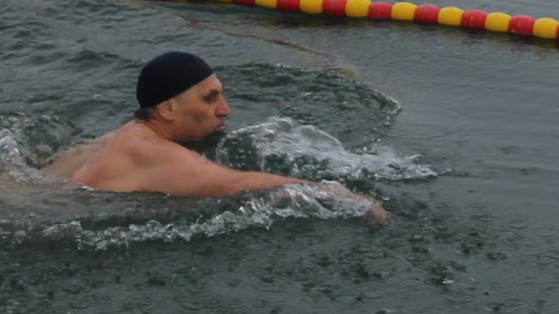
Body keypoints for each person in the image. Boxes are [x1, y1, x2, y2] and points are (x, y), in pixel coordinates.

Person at [46, 50, 387, 222]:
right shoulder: (151, 152)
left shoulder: (119, 136)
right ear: (167, 109)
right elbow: (234, 184)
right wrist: (334, 193)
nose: (225, 110)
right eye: (210, 99)